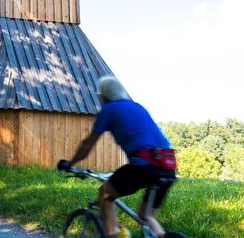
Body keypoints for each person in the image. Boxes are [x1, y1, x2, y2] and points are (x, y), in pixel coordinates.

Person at [59, 76, 177, 238]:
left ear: (103, 97)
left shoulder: (109, 109)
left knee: (105, 194)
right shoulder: (138, 107)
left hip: (142, 166)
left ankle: (112, 233)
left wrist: (70, 163)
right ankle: (162, 236)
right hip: (168, 168)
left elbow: (87, 145)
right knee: (144, 217)